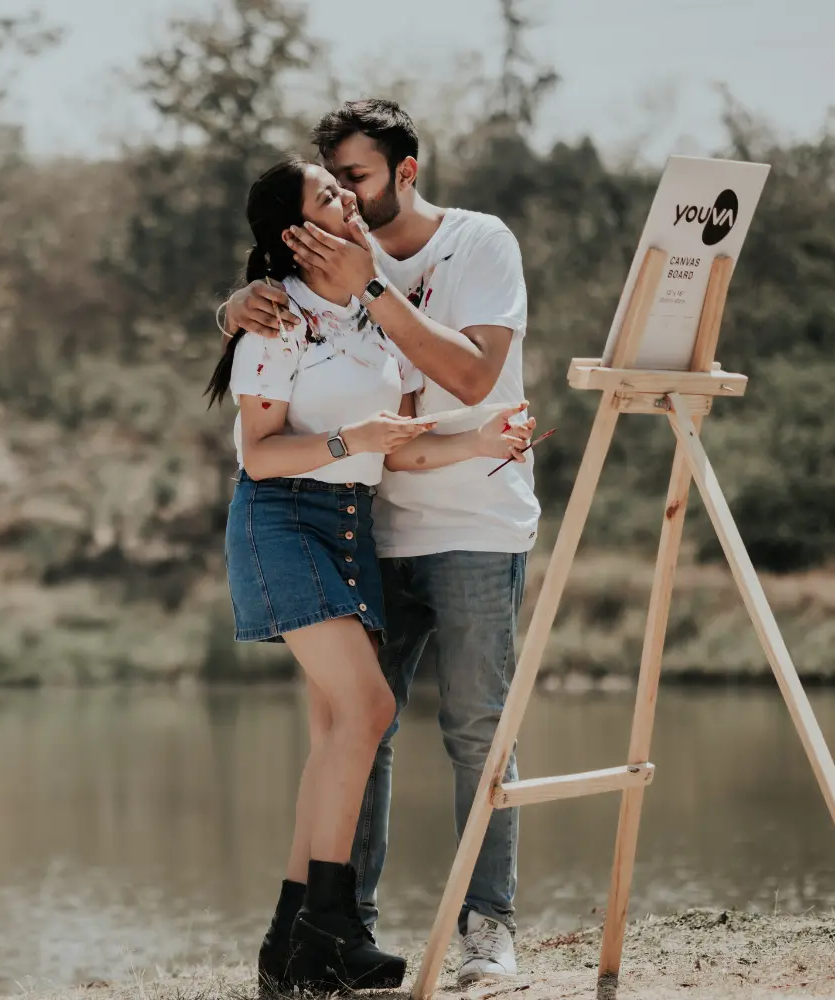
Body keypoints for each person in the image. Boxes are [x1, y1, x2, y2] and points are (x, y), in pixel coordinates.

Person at [219, 99, 540, 986]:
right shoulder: (293, 307)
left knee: (459, 730)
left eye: (355, 179)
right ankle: (334, 924)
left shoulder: (463, 253)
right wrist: (241, 305)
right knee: (361, 725)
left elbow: (458, 385)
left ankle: (461, 930)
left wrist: (479, 440)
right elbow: (263, 439)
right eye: (334, 187)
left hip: (463, 521)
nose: (350, 201)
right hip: (334, 529)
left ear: (404, 170)